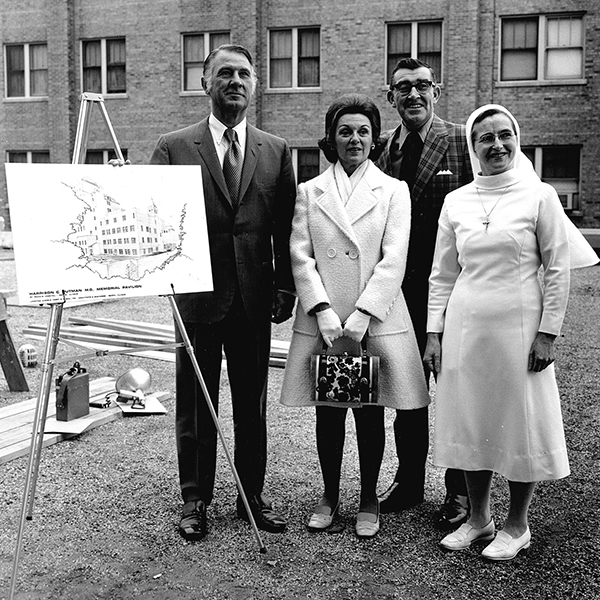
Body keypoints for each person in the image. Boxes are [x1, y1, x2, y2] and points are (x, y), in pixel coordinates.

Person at [424, 104, 598, 560]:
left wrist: (549, 334)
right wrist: (434, 333)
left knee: (519, 422)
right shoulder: (456, 200)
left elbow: (558, 269)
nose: (497, 144)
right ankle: (478, 519)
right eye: (486, 137)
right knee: (472, 419)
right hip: (465, 326)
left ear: (516, 139)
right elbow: (442, 275)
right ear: (473, 146)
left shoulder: (538, 196)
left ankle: (517, 524)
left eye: (505, 135)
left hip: (519, 326)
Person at [150, 44, 297, 541]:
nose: (235, 81)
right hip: (196, 297)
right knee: (196, 400)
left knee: (252, 401)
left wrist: (284, 286)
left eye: (244, 74)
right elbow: (155, 220)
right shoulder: (174, 147)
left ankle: (250, 494)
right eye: (224, 74)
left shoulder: (275, 150)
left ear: (255, 84)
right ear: (205, 83)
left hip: (254, 298)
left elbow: (284, 227)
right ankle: (195, 498)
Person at [280, 94, 430, 538]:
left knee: (370, 412)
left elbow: (394, 257)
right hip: (325, 322)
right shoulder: (310, 191)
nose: (355, 139)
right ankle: (329, 495)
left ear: (374, 138)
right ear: (331, 138)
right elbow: (300, 255)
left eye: (364, 130)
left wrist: (363, 313)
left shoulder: (393, 190)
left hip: (375, 319)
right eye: (345, 130)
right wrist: (323, 311)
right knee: (328, 412)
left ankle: (368, 498)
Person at [375, 57, 473, 528]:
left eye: (421, 86)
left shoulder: (459, 141)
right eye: (402, 88)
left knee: (454, 392)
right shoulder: (381, 150)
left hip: (454, 293)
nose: (412, 95)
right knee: (408, 393)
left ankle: (460, 492)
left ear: (437, 91)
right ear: (390, 97)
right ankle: (409, 480)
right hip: (399, 295)